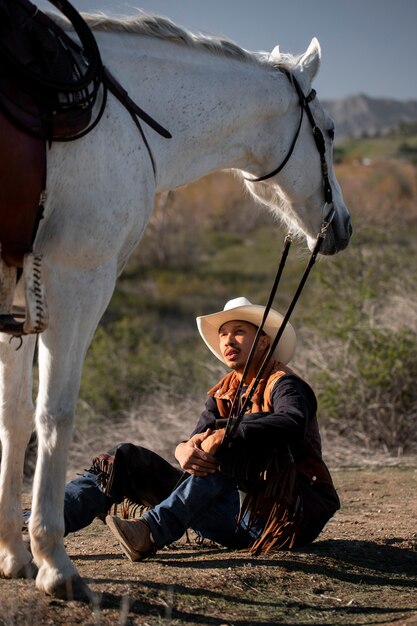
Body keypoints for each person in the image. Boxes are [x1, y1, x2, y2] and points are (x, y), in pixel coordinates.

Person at [26, 297, 340, 559]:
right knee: (126, 459)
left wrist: (225, 434)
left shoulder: (286, 385)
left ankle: (150, 532)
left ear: (263, 343)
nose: (228, 340)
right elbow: (196, 441)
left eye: (240, 332)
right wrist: (183, 448)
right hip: (231, 511)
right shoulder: (223, 392)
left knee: (226, 450)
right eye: (224, 334)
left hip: (284, 517)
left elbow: (292, 423)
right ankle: (38, 522)